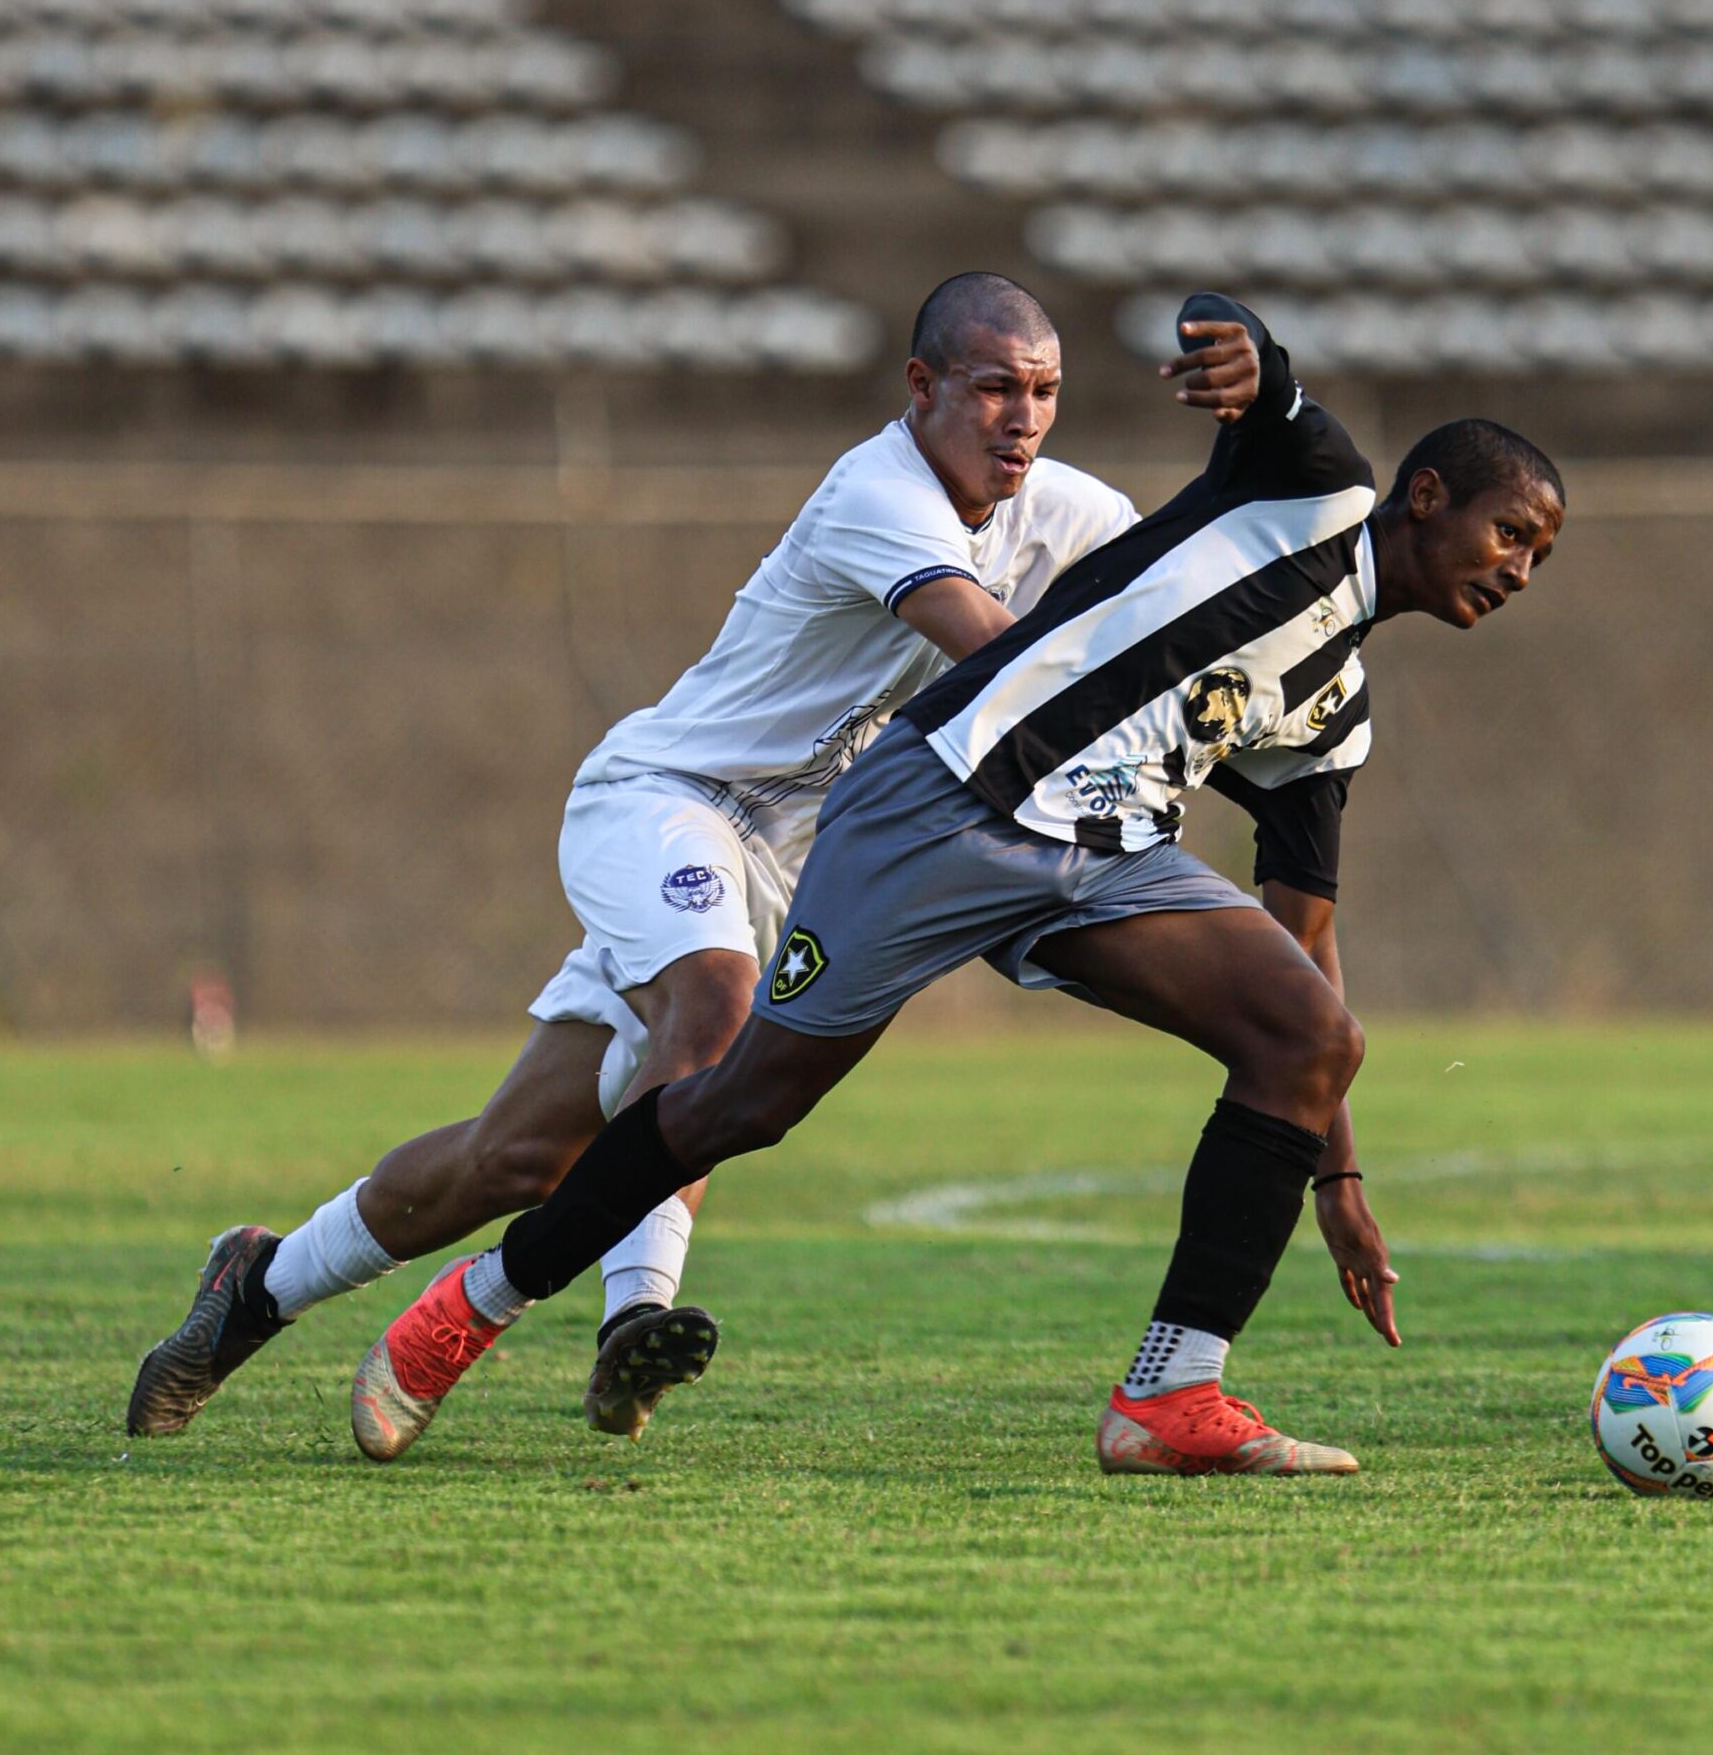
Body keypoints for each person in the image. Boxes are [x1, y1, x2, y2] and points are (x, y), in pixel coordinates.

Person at [349, 292, 1566, 1475]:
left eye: (1539, 555)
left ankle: (1167, 1393)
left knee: (1308, 1032)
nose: (1518, 571)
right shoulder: (1313, 486)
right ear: (1424, 497)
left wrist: (1335, 1174)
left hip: (1105, 858)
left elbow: (1304, 945)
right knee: (743, 1103)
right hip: (944, 798)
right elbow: (1258, 368)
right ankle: (474, 1303)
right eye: (1510, 534)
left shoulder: (1331, 712)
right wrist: (1240, 349)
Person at [126, 273, 1156, 1447]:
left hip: (775, 865)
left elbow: (1179, 581)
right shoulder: (882, 489)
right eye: (991, 389)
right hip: (666, 800)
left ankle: (252, 1286)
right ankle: (636, 1318)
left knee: (509, 1155)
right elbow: (993, 659)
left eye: (1044, 391)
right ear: (921, 389)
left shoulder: (1062, 507)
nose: (1021, 417)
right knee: (714, 1010)